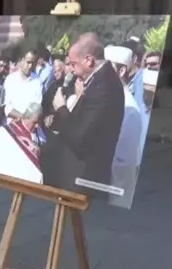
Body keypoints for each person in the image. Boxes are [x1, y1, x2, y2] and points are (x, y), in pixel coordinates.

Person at [41, 32, 125, 192]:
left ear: (88, 60)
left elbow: (80, 137)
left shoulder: (104, 86)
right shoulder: (97, 79)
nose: (71, 70)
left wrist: (61, 107)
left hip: (84, 178)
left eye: (73, 64)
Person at [104, 45, 144, 208]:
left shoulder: (130, 110)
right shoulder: (109, 100)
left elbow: (123, 165)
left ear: (121, 71)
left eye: (106, 68)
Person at [3, 50, 43, 124]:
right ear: (22, 61)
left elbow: (36, 106)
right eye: (28, 62)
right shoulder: (10, 79)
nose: (30, 66)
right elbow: (7, 107)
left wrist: (27, 120)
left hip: (29, 125)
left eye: (33, 63)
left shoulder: (37, 81)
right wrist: (22, 117)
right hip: (11, 123)